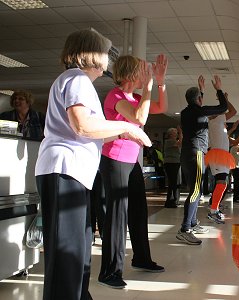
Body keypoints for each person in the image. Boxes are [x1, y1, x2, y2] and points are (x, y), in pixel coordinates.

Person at [34, 29, 151, 300]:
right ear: (92, 54)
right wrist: (126, 126)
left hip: (68, 171)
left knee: (79, 245)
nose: (109, 60)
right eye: (105, 52)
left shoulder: (75, 81)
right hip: (65, 169)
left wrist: (123, 131)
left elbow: (91, 129)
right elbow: (82, 126)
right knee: (68, 251)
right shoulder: (77, 79)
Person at [98, 54, 167, 289]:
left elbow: (161, 106)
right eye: (143, 70)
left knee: (138, 212)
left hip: (131, 162)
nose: (145, 73)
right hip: (115, 159)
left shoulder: (136, 97)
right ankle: (109, 272)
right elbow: (140, 117)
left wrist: (159, 82)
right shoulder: (115, 96)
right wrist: (148, 88)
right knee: (118, 217)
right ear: (130, 74)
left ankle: (142, 258)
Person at [176, 74, 228, 245]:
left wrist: (202, 91)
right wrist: (218, 89)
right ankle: (185, 229)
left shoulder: (186, 112)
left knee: (195, 190)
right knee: (196, 192)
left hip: (187, 154)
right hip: (197, 153)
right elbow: (223, 107)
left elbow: (197, 106)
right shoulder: (198, 110)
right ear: (198, 99)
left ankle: (191, 223)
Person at [205, 92, 237, 224]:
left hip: (221, 155)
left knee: (222, 184)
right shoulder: (216, 119)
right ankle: (213, 210)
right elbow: (232, 110)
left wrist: (224, 100)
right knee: (221, 183)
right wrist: (225, 100)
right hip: (218, 155)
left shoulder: (219, 121)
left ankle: (214, 209)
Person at [163, 126, 182, 208]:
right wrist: (181, 133)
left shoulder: (173, 141)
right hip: (171, 163)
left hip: (175, 163)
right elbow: (180, 142)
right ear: (170, 134)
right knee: (172, 182)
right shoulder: (169, 141)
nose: (176, 133)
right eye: (175, 132)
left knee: (174, 182)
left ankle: (173, 200)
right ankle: (170, 201)